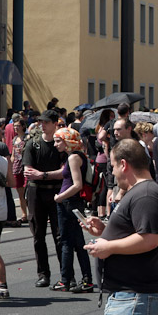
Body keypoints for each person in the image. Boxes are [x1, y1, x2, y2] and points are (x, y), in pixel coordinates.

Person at [82, 139, 158, 315]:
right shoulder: (142, 193)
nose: (112, 172)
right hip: (137, 295)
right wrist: (105, 232)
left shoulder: (145, 194)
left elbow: (149, 239)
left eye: (112, 166)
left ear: (124, 164)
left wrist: (109, 246)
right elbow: (137, 233)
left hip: (136, 295)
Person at [23, 109, 67, 287]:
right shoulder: (33, 144)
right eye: (41, 122)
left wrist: (43, 174)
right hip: (35, 193)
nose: (42, 125)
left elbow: (65, 172)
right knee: (38, 235)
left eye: (46, 122)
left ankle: (65, 275)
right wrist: (43, 175)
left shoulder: (60, 145)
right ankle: (43, 274)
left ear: (56, 123)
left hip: (56, 193)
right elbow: (28, 171)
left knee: (59, 236)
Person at [50, 128, 94, 293]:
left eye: (58, 141)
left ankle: (66, 280)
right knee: (77, 241)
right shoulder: (77, 156)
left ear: (68, 140)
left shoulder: (74, 157)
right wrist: (42, 175)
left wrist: (60, 197)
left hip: (69, 203)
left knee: (67, 241)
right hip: (73, 202)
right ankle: (85, 280)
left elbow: (77, 184)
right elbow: (64, 175)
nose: (55, 144)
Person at [0, 136, 14, 298]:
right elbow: (12, 182)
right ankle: (2, 286)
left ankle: (2, 286)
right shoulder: (2, 160)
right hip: (1, 210)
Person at [10, 119, 27, 225]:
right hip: (16, 166)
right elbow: (12, 155)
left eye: (18, 126)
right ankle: (24, 214)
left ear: (23, 126)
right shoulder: (15, 139)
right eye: (14, 126)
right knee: (20, 193)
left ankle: (31, 213)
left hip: (25, 165)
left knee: (27, 192)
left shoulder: (27, 138)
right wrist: (10, 166)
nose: (15, 128)